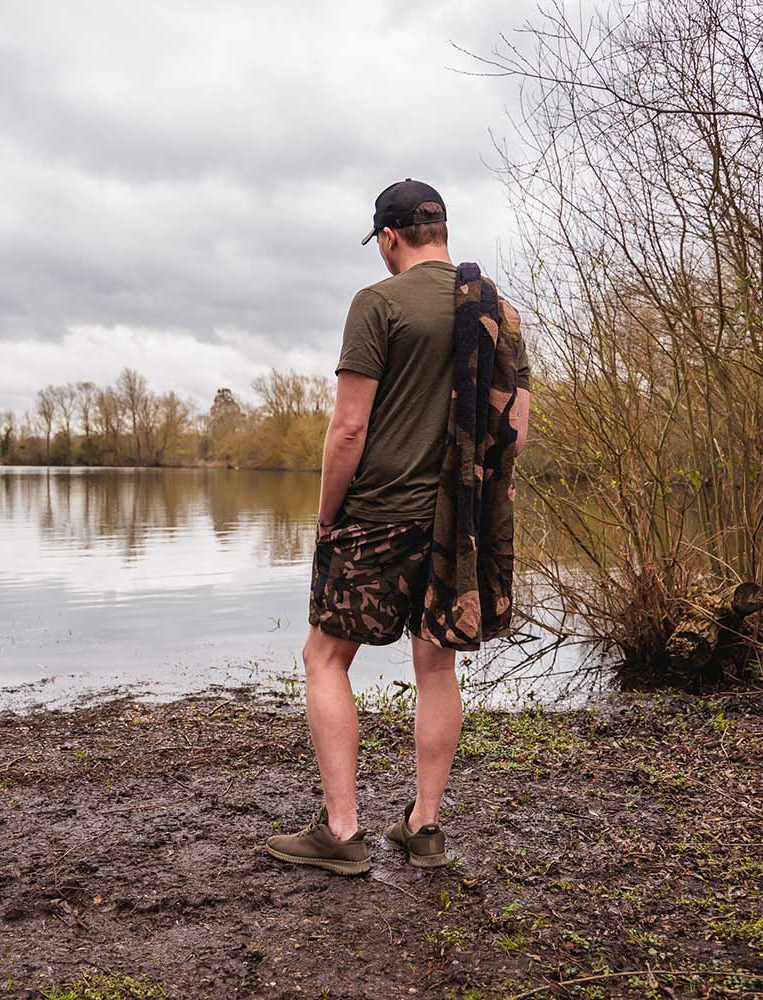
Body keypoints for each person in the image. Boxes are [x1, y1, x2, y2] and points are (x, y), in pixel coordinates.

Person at [264, 179, 531, 875]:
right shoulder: (497, 310)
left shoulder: (378, 303)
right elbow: (517, 433)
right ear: (441, 230)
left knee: (325, 659)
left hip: (380, 514)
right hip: (457, 523)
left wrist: (328, 517)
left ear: (389, 238)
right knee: (435, 662)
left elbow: (349, 428)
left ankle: (343, 832)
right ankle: (425, 827)